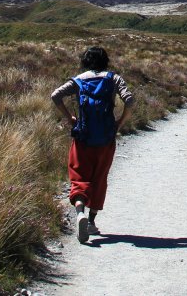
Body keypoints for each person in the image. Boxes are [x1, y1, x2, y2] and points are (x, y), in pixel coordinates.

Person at [51, 45, 134, 244]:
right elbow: (130, 100)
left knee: (79, 175)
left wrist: (70, 118)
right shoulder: (114, 79)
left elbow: (55, 95)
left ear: (86, 61)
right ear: (105, 60)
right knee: (100, 177)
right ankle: (91, 221)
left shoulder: (79, 80)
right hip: (106, 137)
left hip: (83, 136)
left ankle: (79, 210)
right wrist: (119, 123)